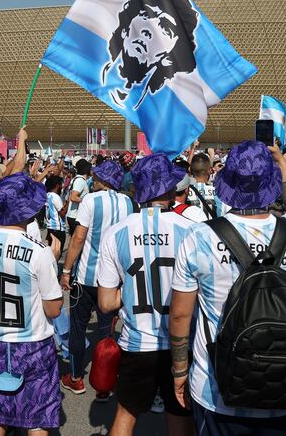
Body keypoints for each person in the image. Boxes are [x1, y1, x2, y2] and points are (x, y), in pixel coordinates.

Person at [169, 140, 286, 435]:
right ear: (271, 184)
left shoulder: (200, 237)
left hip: (216, 386)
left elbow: (181, 317)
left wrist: (179, 369)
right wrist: (282, 164)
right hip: (283, 383)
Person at [97, 154, 194, 436]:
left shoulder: (116, 233)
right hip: (181, 342)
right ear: (169, 189)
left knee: (125, 416)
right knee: (179, 417)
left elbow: (105, 303)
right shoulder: (192, 230)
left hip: (137, 341)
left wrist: (128, 294)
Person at [0, 172, 63, 435]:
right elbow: (53, 309)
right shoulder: (38, 251)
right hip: (33, 343)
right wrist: (54, 262)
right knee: (37, 419)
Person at [60, 160, 133, 398]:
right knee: (106, 332)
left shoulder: (90, 200)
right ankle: (104, 385)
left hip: (86, 276)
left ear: (102, 180)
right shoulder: (127, 202)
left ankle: (76, 378)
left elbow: (79, 238)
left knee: (77, 329)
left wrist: (66, 270)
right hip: (113, 279)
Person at [101, 0, 198, 109]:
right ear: (125, 28)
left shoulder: (162, 107)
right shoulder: (90, 77)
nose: (150, 29)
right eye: (146, 14)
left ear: (170, 54)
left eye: (165, 29)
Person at [44, 175, 68, 256]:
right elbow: (62, 213)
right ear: (57, 185)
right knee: (57, 252)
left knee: (51, 251)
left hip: (50, 226)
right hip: (57, 228)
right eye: (61, 184)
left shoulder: (47, 195)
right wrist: (69, 202)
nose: (62, 186)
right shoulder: (55, 196)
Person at [65, 159, 91, 234]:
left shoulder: (76, 179)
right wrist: (87, 202)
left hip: (73, 216)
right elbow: (73, 197)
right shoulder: (80, 181)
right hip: (75, 216)